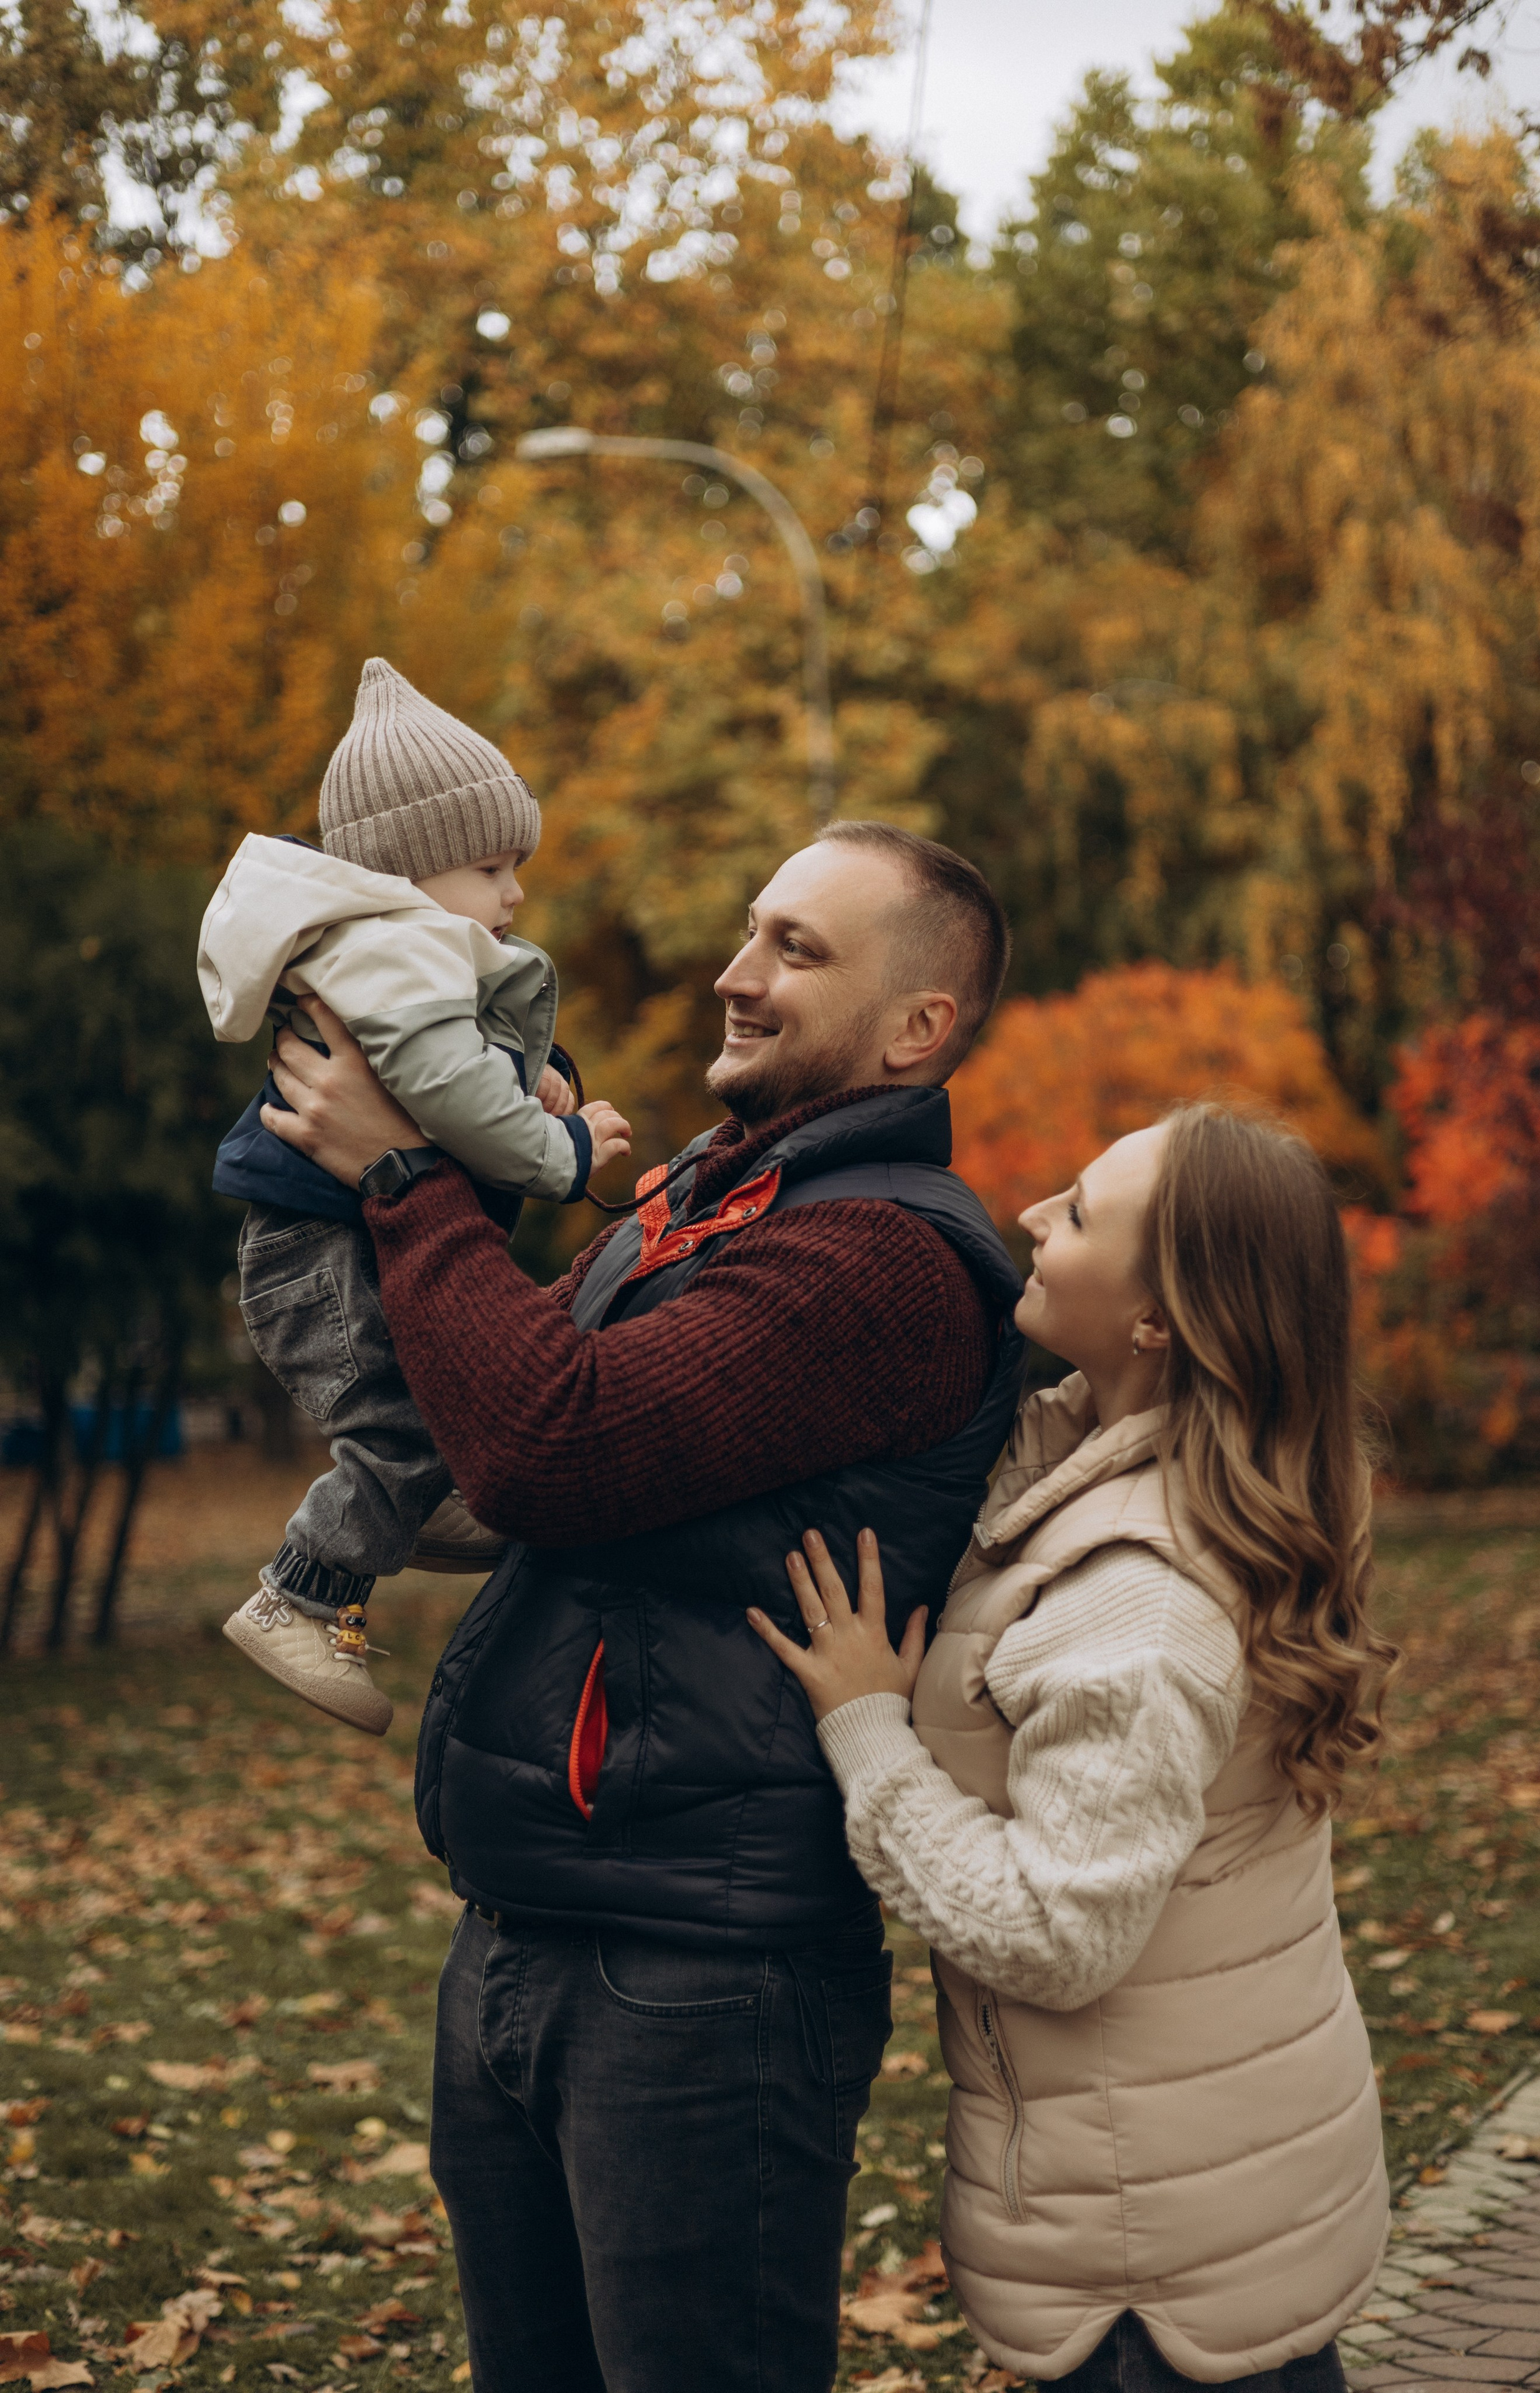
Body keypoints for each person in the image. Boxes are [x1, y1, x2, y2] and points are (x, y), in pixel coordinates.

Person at [255, 819, 1029, 2393]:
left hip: (702, 1978)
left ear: (915, 1027)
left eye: (796, 950)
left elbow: (553, 1442)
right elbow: (482, 1419)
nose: (735, 978)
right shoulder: (702, 1209)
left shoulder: (881, 1260)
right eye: (751, 933)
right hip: (530, 1929)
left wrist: (404, 1174)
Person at [753, 1104, 1398, 2392]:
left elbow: (1057, 1936)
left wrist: (866, 1728)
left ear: (1157, 1323)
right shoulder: (1116, 1478)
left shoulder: (1140, 1604)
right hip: (1217, 2193)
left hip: (1151, 2272)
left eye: (1082, 1212)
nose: (1035, 1218)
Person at [197, 658, 630, 1735]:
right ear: (408, 867)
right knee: (397, 1425)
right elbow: (441, 1084)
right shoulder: (395, 946)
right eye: (491, 867)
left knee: (437, 1401)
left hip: (332, 1244)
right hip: (319, 1260)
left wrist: (525, 1069)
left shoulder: (398, 948)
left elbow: (438, 1069)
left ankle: (427, 1506)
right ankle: (299, 1597)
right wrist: (560, 1149)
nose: (514, 894)